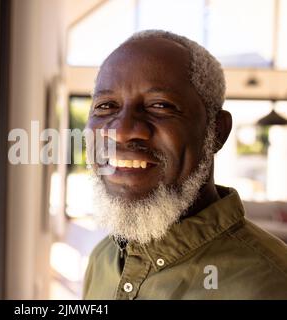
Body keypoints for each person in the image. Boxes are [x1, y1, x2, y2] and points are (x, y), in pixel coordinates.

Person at [83, 29, 287, 299]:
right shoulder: (103, 258)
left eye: (160, 106)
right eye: (106, 105)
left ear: (217, 131)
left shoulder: (270, 282)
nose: (121, 131)